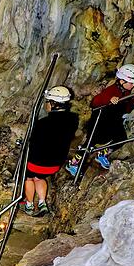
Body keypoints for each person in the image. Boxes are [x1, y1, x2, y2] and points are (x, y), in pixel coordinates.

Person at [66, 64, 134, 175]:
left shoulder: (126, 92)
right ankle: (73, 164)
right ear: (122, 81)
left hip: (113, 121)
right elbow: (95, 102)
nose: (133, 85)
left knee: (121, 138)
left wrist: (133, 103)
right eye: (131, 83)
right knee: (90, 144)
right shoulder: (111, 90)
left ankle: (103, 153)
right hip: (100, 121)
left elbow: (125, 108)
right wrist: (109, 99)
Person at [22, 85, 79, 216]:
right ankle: (42, 203)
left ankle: (29, 205)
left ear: (54, 104)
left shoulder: (43, 123)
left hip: (37, 164)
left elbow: (33, 143)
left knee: (29, 177)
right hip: (55, 164)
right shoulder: (73, 120)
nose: (46, 104)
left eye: (48, 101)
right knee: (39, 177)